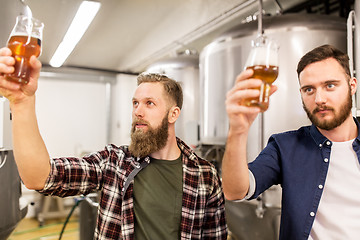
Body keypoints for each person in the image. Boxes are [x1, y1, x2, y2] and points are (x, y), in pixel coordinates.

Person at [0, 47, 227, 240]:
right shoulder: (115, 163)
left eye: (149, 103)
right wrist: (22, 103)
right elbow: (40, 177)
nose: (138, 111)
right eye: (135, 103)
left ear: (173, 114)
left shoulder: (205, 176)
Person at [222, 44, 360, 240]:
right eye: (309, 89)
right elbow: (235, 191)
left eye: (330, 85)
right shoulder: (285, 147)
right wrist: (237, 131)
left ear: (352, 86)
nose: (319, 98)